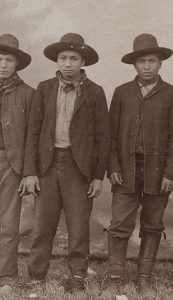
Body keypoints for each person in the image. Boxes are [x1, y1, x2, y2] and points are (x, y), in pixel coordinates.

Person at [23, 33, 110, 291]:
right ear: (57, 61)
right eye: (63, 58)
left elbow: (103, 138)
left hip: (79, 167)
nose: (68, 63)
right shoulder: (44, 88)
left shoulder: (95, 92)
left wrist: (97, 175)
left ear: (83, 61)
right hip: (48, 166)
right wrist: (31, 171)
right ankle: (36, 276)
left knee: (79, 226)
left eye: (74, 58)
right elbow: (33, 132)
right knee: (42, 226)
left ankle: (77, 278)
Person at [102, 33, 173, 299]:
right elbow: (110, 134)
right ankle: (114, 280)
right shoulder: (122, 92)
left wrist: (171, 171)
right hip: (125, 168)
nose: (147, 66)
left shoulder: (172, 95)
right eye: (141, 61)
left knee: (152, 224)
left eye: (152, 61)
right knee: (119, 224)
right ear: (134, 65)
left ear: (160, 63)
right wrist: (112, 165)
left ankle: (144, 280)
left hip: (157, 172)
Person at [0, 34, 34, 294]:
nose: (2, 64)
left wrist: (26, 170)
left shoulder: (28, 94)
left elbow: (33, 137)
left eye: (8, 60)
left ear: (17, 64)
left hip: (10, 163)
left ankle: (6, 275)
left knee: (8, 222)